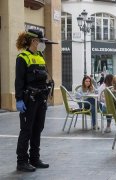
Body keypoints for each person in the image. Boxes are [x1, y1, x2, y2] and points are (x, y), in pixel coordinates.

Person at [15, 29, 56, 172]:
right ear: (34, 41)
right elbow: (19, 80)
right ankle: (21, 161)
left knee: (38, 129)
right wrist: (19, 99)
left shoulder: (40, 56)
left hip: (41, 99)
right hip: (29, 100)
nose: (42, 44)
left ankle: (34, 158)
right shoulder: (23, 57)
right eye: (41, 41)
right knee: (26, 130)